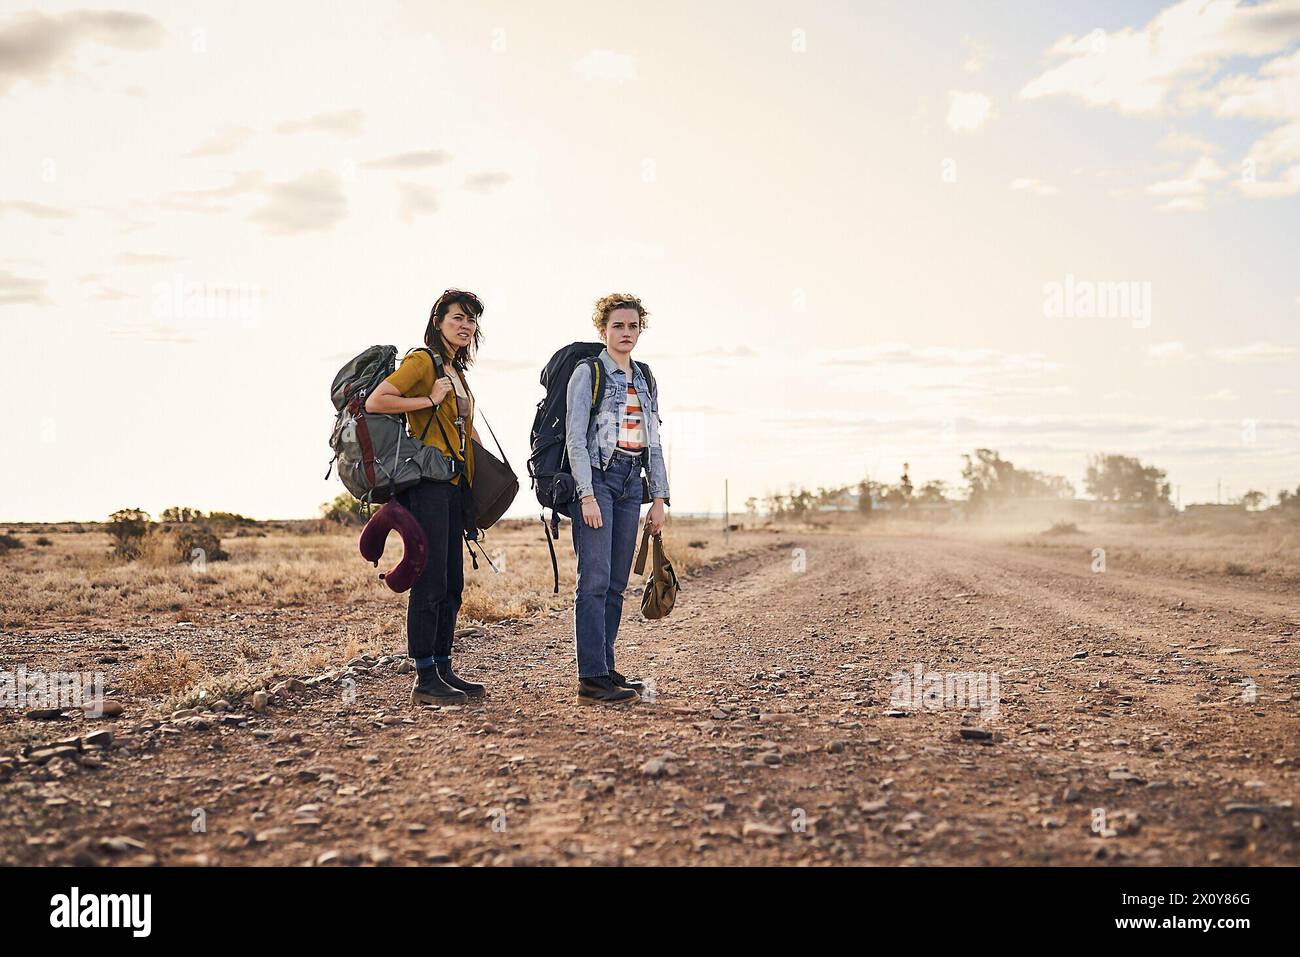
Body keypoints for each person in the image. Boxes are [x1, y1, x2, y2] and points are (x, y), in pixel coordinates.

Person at [365, 289, 486, 706]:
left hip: (453, 485)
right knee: (430, 580)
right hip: (428, 485)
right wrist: (428, 399)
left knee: (452, 582)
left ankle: (444, 666)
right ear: (438, 321)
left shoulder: (455, 369)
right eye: (457, 318)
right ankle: (424, 677)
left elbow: (461, 427)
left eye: (471, 320)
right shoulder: (422, 361)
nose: (465, 326)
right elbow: (377, 401)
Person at [564, 293, 670, 705]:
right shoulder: (587, 373)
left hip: (631, 483)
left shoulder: (645, 377)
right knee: (592, 580)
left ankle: (605, 669)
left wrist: (658, 498)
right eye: (618, 326)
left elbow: (655, 442)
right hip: (599, 481)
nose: (626, 333)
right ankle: (590, 678)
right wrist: (586, 494)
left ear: (640, 330)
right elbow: (575, 438)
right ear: (602, 330)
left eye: (633, 326)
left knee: (615, 584)